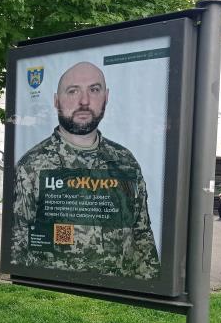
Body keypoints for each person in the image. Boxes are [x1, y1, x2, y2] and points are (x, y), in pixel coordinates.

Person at [11, 61, 159, 279]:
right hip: (59, 292)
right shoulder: (32, 166)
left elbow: (142, 234)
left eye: (94, 90)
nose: (84, 101)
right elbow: (18, 243)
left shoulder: (125, 162)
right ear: (56, 101)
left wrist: (149, 287)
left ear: (106, 97)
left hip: (120, 292)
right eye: (73, 91)